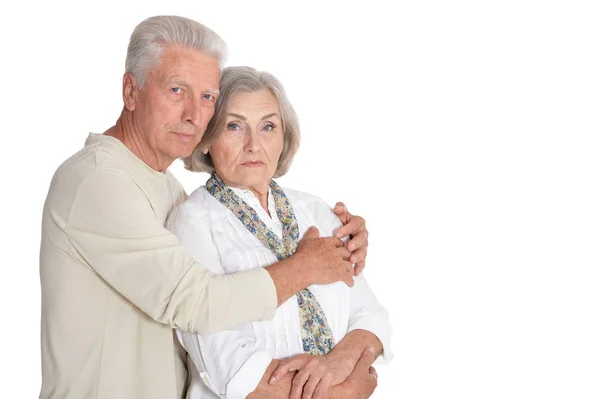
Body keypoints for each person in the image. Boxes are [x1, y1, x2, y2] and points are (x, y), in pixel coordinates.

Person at [39, 15, 371, 399]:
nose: (194, 115)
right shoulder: (98, 181)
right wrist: (307, 266)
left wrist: (344, 242)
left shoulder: (168, 189)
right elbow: (196, 302)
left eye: (208, 96)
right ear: (131, 92)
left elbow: (365, 313)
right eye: (177, 90)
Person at [167, 66, 392, 399]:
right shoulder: (192, 222)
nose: (254, 145)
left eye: (268, 126)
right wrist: (339, 395)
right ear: (206, 139)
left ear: (285, 136)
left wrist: (339, 364)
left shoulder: (316, 211)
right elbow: (223, 362)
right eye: (234, 126)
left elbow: (369, 315)